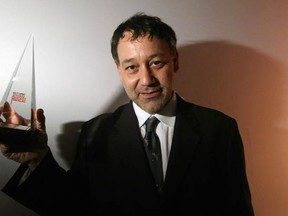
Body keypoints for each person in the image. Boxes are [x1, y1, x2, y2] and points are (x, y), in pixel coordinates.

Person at [0, 12, 254, 215]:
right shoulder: (95, 133)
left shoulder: (220, 129)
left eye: (156, 63)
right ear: (119, 71)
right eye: (132, 67)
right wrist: (36, 159)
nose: (146, 79)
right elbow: (73, 207)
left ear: (175, 61)